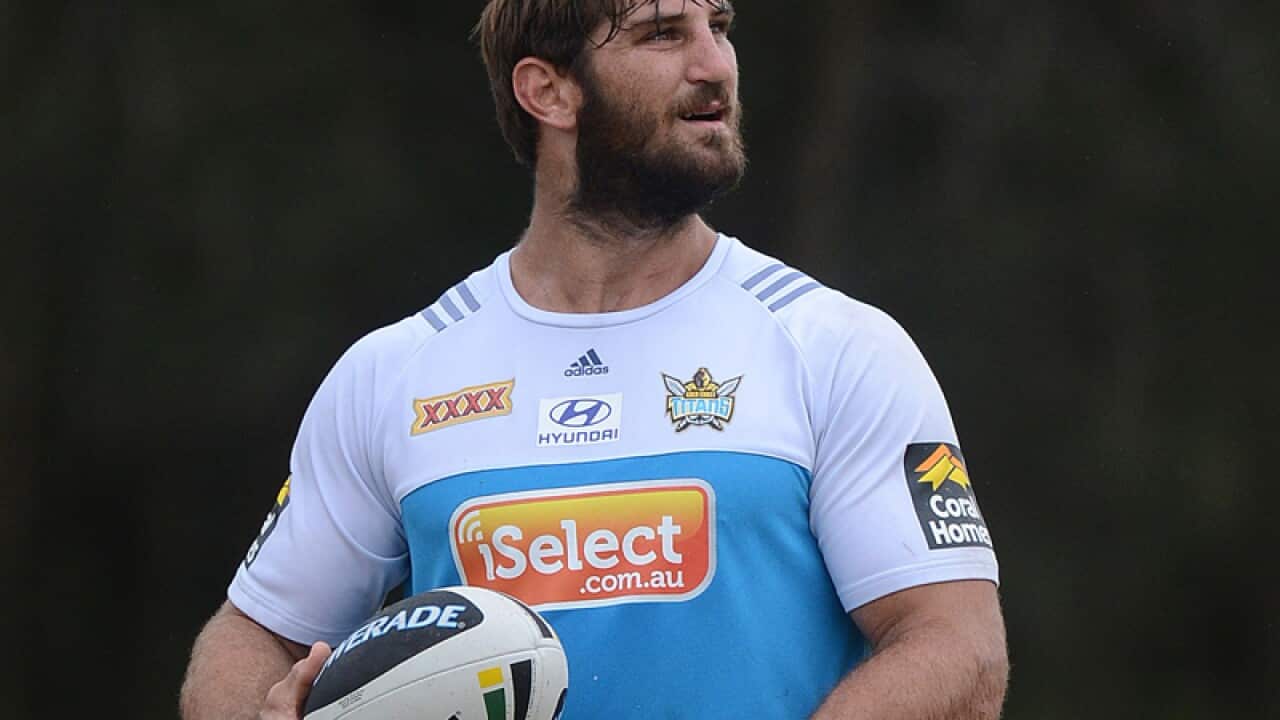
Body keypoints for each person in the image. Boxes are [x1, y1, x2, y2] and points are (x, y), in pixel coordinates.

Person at [180, 1, 1009, 718]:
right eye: (661, 34)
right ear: (548, 90)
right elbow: (253, 635)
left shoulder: (837, 347)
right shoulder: (396, 372)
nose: (713, 64)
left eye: (718, 27)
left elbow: (958, 647)